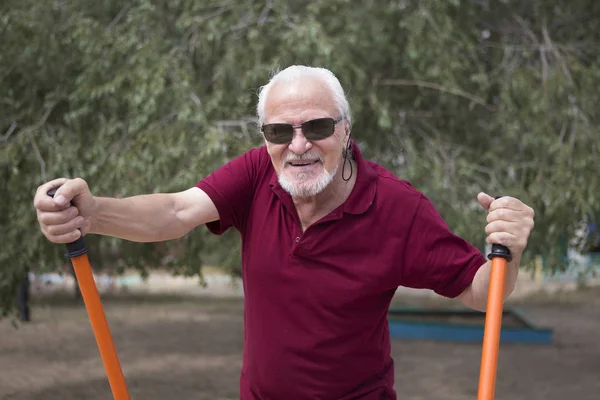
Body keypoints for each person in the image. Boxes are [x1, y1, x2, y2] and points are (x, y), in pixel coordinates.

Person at [33, 65, 535, 400]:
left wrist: (506, 254)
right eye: (279, 131)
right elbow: (175, 211)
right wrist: (93, 213)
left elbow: (481, 291)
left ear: (344, 130)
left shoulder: (398, 208)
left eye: (316, 127)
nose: (298, 146)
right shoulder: (256, 175)